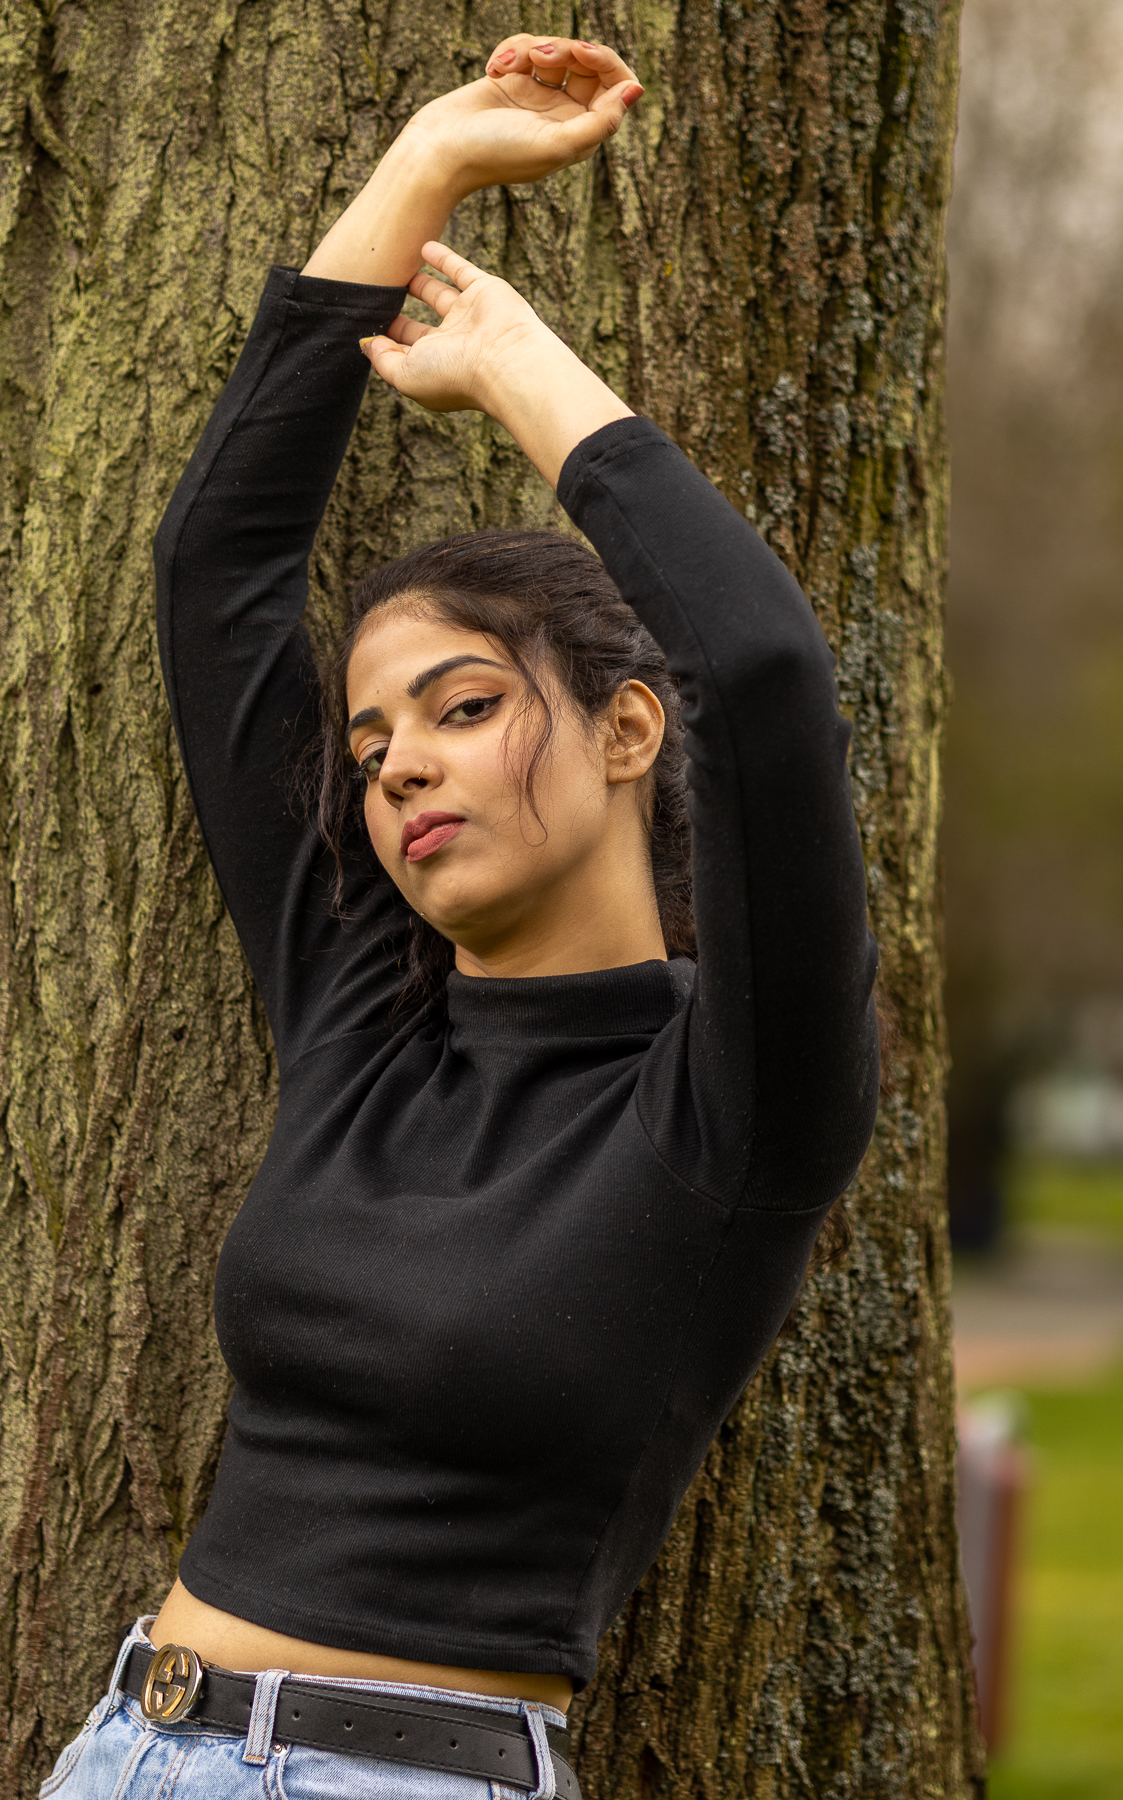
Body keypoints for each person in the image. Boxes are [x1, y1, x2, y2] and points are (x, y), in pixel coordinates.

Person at [42, 31, 879, 1800]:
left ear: (629, 731)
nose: (400, 765)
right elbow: (215, 576)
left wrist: (514, 368)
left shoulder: (738, 1104)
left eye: (466, 706)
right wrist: (424, 168)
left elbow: (760, 670)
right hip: (129, 1748)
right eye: (371, 746)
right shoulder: (365, 1010)